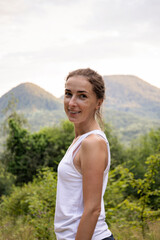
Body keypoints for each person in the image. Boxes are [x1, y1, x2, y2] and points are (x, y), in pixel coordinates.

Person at [54, 68, 115, 240]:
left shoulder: (92, 143)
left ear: (98, 103)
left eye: (82, 96)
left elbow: (92, 209)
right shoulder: (79, 140)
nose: (72, 103)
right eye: (68, 94)